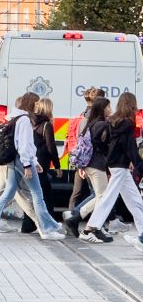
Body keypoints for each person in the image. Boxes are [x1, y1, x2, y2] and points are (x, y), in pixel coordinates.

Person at [0, 92, 64, 240]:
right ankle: (47, 229)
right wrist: (28, 164)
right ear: (31, 103)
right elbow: (24, 145)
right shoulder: (24, 120)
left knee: (8, 194)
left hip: (13, 160)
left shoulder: (13, 117)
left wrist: (34, 162)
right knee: (37, 195)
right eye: (36, 103)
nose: (38, 106)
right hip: (22, 161)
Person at [79, 93, 143, 247]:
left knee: (135, 201)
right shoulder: (128, 123)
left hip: (115, 164)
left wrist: (107, 155)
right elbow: (130, 148)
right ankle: (90, 230)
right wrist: (139, 165)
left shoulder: (113, 121)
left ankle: (142, 234)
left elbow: (101, 141)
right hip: (120, 166)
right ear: (131, 105)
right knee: (108, 198)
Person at [62, 98, 111, 241]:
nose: (110, 109)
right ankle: (86, 224)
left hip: (89, 163)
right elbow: (103, 146)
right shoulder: (102, 125)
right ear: (102, 109)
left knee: (100, 195)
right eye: (108, 107)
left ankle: (78, 217)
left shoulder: (90, 123)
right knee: (103, 196)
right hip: (97, 164)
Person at [20, 97, 62, 233]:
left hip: (31, 161)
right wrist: (57, 166)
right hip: (42, 164)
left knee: (34, 194)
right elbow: (51, 147)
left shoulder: (31, 122)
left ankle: (28, 225)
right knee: (45, 196)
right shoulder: (46, 125)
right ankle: (48, 225)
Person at [66, 88, 104, 210]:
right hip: (91, 160)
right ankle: (74, 215)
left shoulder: (81, 116)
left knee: (78, 191)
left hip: (82, 159)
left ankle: (72, 213)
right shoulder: (93, 118)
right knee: (98, 193)